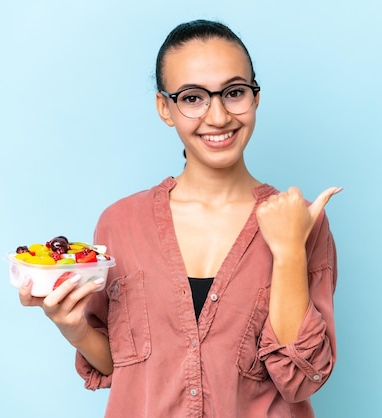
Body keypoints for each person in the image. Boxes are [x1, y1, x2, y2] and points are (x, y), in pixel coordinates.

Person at [20, 19, 341, 417]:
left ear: (256, 98)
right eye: (193, 98)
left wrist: (290, 250)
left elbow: (301, 380)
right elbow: (124, 368)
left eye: (234, 92)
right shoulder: (120, 224)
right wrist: (74, 328)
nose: (219, 116)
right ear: (165, 108)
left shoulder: (300, 221)